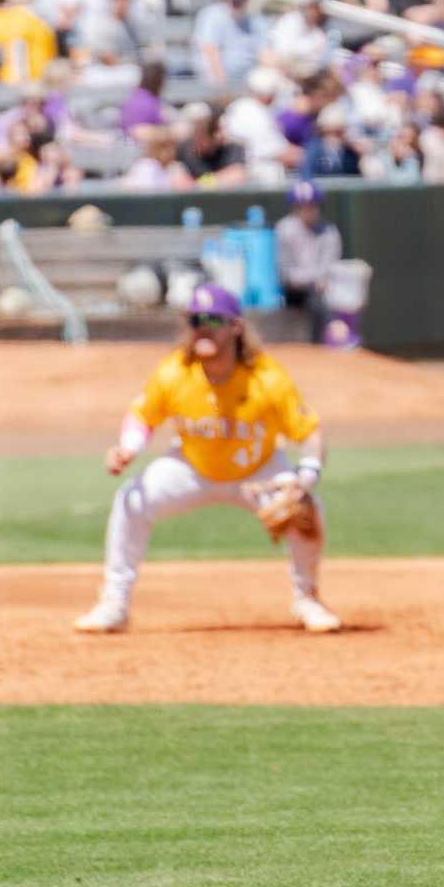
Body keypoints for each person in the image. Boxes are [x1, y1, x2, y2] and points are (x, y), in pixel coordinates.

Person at [74, 283, 342, 636]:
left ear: (235, 327)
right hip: (193, 469)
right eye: (195, 319)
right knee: (130, 500)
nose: (202, 327)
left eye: (213, 319)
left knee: (307, 508)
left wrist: (305, 476)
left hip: (257, 471)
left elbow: (309, 432)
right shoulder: (175, 372)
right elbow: (143, 416)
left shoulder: (267, 378)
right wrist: (129, 447)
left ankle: (307, 598)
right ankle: (114, 605)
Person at [275, 180, 342, 340]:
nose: (307, 210)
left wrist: (318, 279)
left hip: (322, 290)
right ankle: (327, 337)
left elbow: (330, 268)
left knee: (336, 293)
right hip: (291, 292)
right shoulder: (284, 229)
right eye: (302, 206)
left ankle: (337, 337)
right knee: (315, 297)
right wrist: (314, 278)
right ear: (295, 208)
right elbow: (286, 275)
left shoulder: (329, 232)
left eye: (311, 205)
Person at [193, 0, 260, 90]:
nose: (232, 2)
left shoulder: (254, 19)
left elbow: (264, 53)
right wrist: (224, 86)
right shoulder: (212, 16)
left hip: (250, 80)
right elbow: (210, 51)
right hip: (219, 80)